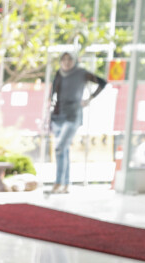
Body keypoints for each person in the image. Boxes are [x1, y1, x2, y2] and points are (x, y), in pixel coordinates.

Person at [45, 53, 107, 194]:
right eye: (64, 59)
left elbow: (102, 83)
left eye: (69, 59)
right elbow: (53, 92)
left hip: (73, 115)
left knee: (59, 148)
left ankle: (58, 182)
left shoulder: (81, 73)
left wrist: (88, 99)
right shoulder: (59, 74)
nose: (66, 62)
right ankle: (65, 184)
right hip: (58, 114)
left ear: (74, 61)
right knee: (63, 150)